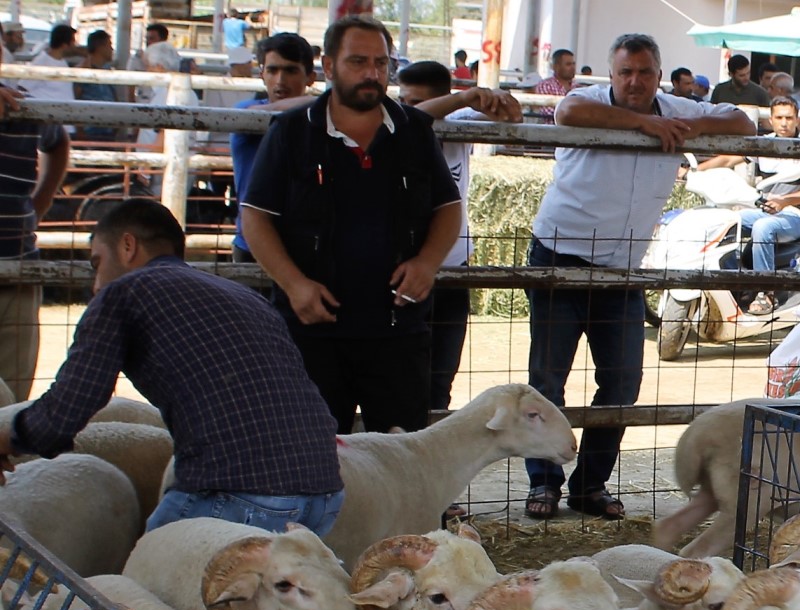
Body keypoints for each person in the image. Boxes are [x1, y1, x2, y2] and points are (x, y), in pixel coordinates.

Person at [0, 199, 342, 534]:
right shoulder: (244, 296)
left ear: (128, 245)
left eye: (97, 263)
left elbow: (67, 409)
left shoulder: (124, 293)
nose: (96, 285)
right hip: (323, 495)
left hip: (240, 494)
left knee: (150, 581)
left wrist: (10, 437)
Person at [525, 32, 749, 520]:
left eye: (645, 72)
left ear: (659, 75)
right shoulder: (587, 100)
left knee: (623, 381)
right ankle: (543, 484)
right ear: (611, 74)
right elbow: (567, 114)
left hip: (623, 269)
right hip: (559, 257)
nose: (634, 80)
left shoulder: (674, 108)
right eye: (625, 72)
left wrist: (680, 125)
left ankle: (590, 485)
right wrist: (648, 124)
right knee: (548, 380)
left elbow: (742, 120)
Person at [241, 14, 462, 434]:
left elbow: (449, 207)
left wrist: (427, 264)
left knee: (401, 460)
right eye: (358, 62)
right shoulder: (290, 132)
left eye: (381, 63)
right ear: (328, 67)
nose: (372, 74)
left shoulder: (415, 130)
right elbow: (255, 218)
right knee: (311, 455)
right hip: (312, 330)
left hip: (398, 329)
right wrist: (294, 284)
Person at [396, 59, 522, 410]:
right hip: (406, 269)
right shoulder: (394, 127)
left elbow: (512, 118)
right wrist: (463, 97)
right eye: (405, 100)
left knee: (441, 379)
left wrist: (493, 98)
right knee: (400, 376)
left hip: (453, 268)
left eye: (416, 100)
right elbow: (410, 117)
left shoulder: (458, 122)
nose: (408, 108)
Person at [0, 85, 67, 400]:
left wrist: (41, 202)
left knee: (10, 398)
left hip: (19, 265)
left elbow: (57, 141)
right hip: (19, 261)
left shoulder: (23, 106)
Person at [732, 97, 800, 314]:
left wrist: (785, 201)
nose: (784, 123)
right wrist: (695, 168)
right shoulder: (765, 143)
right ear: (770, 120)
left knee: (763, 228)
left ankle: (766, 293)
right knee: (729, 220)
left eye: (789, 118)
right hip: (764, 211)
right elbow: (730, 158)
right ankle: (728, 283)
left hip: (797, 215)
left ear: (797, 120)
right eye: (779, 118)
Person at [229, 31, 316, 263]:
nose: (280, 80)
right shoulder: (246, 111)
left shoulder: (321, 118)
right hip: (253, 242)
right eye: (273, 70)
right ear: (262, 74)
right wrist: (325, 101)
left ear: (310, 77)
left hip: (305, 242)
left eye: (290, 70)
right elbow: (252, 116)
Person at [73, 30, 121, 142]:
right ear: (100, 47)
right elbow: (75, 98)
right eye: (109, 45)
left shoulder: (108, 70)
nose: (112, 49)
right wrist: (79, 129)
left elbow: (114, 96)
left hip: (108, 128)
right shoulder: (82, 71)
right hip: (89, 129)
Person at [30, 26, 78, 105]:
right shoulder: (41, 62)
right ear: (64, 44)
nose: (75, 45)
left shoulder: (62, 61)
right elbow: (23, 87)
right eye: (73, 41)